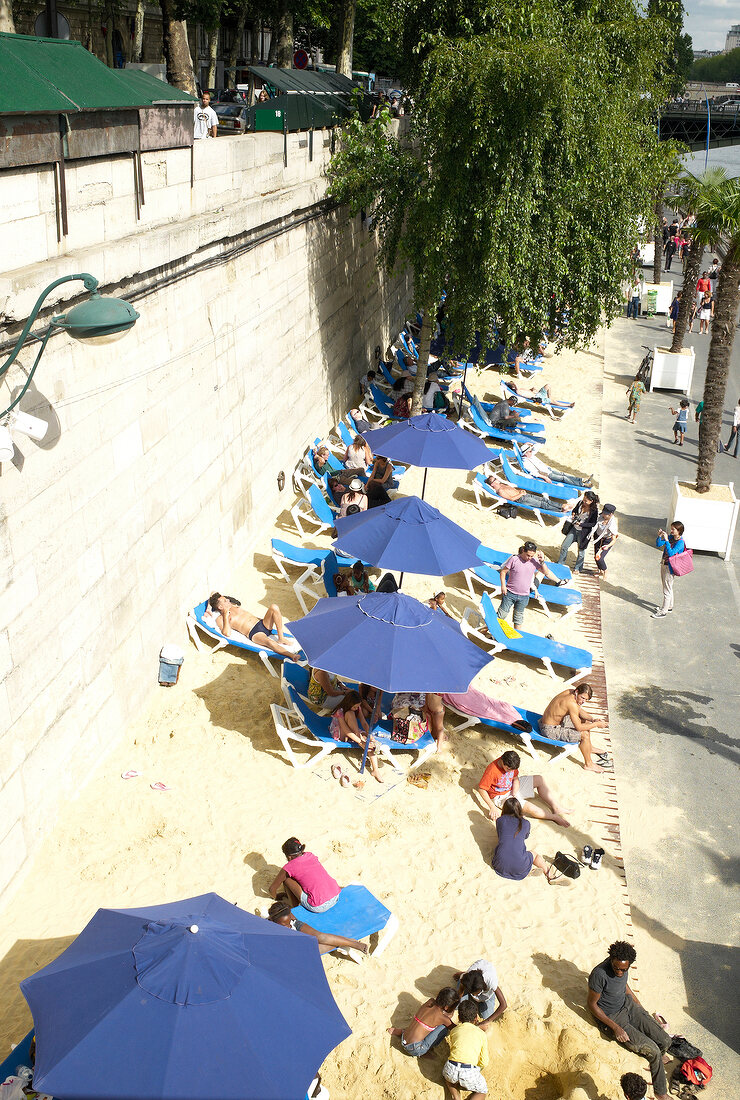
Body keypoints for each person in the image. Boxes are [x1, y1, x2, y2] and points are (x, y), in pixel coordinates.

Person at [587, 941, 671, 1100]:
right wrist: (616, 1028)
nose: (619, 972)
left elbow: (624, 986)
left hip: (628, 1005)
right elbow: (591, 1005)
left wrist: (640, 1008)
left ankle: (659, 1057)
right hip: (612, 1017)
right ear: (611, 959)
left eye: (623, 969)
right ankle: (661, 1093)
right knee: (652, 1050)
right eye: (616, 968)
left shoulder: (624, 967)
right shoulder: (599, 974)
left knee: (665, 1040)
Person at [477, 749, 571, 826]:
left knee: (539, 779)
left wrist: (515, 793)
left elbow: (515, 779)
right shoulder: (492, 770)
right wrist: (492, 807)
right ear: (502, 761)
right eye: (508, 769)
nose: (510, 771)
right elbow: (482, 789)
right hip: (500, 796)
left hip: (512, 788)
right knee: (530, 808)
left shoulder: (512, 764)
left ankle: (556, 807)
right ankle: (554, 817)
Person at [539, 683, 608, 772]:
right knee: (584, 734)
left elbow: (578, 710)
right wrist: (596, 725)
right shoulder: (571, 704)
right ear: (577, 692)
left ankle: (589, 747)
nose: (583, 701)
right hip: (549, 730)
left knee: (586, 722)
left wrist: (593, 719)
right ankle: (588, 764)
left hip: (548, 721)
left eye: (586, 699)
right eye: (582, 698)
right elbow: (579, 728)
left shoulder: (570, 692)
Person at [206, 594, 299, 658]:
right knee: (269, 642)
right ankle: (291, 655)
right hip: (255, 633)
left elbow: (213, 593)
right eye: (225, 601)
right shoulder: (220, 618)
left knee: (274, 607)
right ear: (220, 607)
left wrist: (208, 609)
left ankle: (281, 638)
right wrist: (226, 615)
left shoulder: (233, 606)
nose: (228, 600)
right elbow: (226, 633)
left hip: (262, 623)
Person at [498, 541, 565, 627]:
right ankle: (486, 631)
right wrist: (503, 585)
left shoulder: (534, 561)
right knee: (501, 615)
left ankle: (517, 639)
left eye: (531, 556)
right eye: (528, 555)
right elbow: (503, 572)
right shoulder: (514, 559)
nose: (529, 558)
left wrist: (542, 561)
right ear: (523, 551)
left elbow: (546, 572)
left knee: (518, 619)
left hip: (524, 596)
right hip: (510, 593)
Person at [267, 899, 368, 955]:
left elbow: (291, 920)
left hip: (297, 927)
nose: (288, 925)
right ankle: (344, 941)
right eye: (285, 924)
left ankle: (353, 944)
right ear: (274, 921)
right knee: (313, 951)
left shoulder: (288, 919)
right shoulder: (270, 927)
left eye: (289, 920)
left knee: (321, 937)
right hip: (294, 941)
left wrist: (292, 922)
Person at [268, 837, 341, 912]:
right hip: (335, 896)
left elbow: (272, 889)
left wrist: (276, 897)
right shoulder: (310, 855)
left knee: (286, 879)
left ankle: (295, 908)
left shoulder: (289, 867)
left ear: (289, 857)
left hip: (319, 906)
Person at [386, 988, 460, 1057]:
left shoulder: (430, 1001)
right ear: (446, 1007)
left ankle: (401, 1032)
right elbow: (455, 1028)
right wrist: (450, 1015)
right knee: (444, 1028)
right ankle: (426, 1050)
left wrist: (447, 1016)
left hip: (404, 1038)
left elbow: (437, 1014)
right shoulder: (443, 1019)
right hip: (415, 1049)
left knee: (420, 1024)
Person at [491, 798, 552, 881]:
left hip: (499, 865)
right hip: (519, 865)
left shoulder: (500, 820)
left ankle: (526, 871)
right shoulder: (525, 823)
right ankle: (549, 873)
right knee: (534, 854)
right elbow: (526, 836)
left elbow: (500, 836)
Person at [329, 690, 383, 782]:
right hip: (340, 732)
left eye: (358, 706)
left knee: (368, 742)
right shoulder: (340, 711)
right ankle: (361, 741)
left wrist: (370, 735)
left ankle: (375, 770)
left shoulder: (357, 708)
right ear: (349, 704)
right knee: (350, 715)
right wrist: (360, 741)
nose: (356, 708)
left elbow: (364, 722)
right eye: (355, 706)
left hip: (353, 730)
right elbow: (346, 730)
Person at [442, 999, 489, 1100]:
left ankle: (455, 1096)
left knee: (447, 1078)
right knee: (482, 1091)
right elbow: (484, 1062)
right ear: (476, 1017)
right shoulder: (481, 1034)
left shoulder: (454, 1031)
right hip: (468, 1072)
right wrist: (477, 1069)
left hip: (451, 1068)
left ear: (459, 1018)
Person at [452, 960, 507, 1030]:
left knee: (487, 1018)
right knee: (457, 1006)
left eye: (475, 993)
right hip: (470, 977)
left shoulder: (491, 982)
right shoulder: (467, 979)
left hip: (486, 994)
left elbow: (504, 1005)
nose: (474, 995)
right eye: (471, 993)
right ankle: (462, 974)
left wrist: (485, 1022)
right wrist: (455, 1004)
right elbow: (460, 991)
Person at [557, 490, 600, 572]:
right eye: (584, 499)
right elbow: (574, 510)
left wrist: (581, 524)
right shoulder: (580, 503)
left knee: (581, 552)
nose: (584, 501)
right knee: (564, 546)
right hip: (574, 529)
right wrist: (573, 514)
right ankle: (560, 563)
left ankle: (578, 568)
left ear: (591, 501)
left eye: (586, 500)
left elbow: (593, 523)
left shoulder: (594, 511)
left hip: (583, 533)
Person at [484, 474, 570, 513]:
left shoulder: (501, 485)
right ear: (492, 484)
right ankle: (561, 510)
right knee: (542, 504)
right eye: (495, 479)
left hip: (523, 495)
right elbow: (511, 499)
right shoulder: (500, 491)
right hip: (521, 499)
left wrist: (521, 491)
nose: (497, 479)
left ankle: (561, 505)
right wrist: (520, 494)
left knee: (544, 500)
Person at [651, 521, 685, 618]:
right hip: (664, 564)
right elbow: (658, 544)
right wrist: (659, 536)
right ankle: (669, 606)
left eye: (673, 529)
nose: (671, 531)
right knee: (668, 587)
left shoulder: (680, 543)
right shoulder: (671, 537)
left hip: (670, 568)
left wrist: (666, 541)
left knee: (666, 590)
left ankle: (663, 611)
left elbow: (671, 553)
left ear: (679, 531)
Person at [518, 442, 590, 486]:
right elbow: (534, 473)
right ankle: (582, 484)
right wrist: (545, 478)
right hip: (547, 474)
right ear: (526, 453)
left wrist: (528, 444)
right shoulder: (526, 463)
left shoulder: (530, 455)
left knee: (563, 474)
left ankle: (581, 480)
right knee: (563, 478)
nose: (531, 451)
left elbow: (538, 445)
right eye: (530, 451)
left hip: (548, 469)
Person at [592, 503, 618, 581]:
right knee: (595, 556)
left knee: (599, 558)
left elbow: (614, 539)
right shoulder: (600, 517)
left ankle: (605, 571)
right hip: (598, 538)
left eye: (605, 514)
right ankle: (600, 571)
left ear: (610, 514)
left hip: (607, 540)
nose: (603, 515)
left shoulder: (612, 524)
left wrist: (608, 545)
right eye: (603, 512)